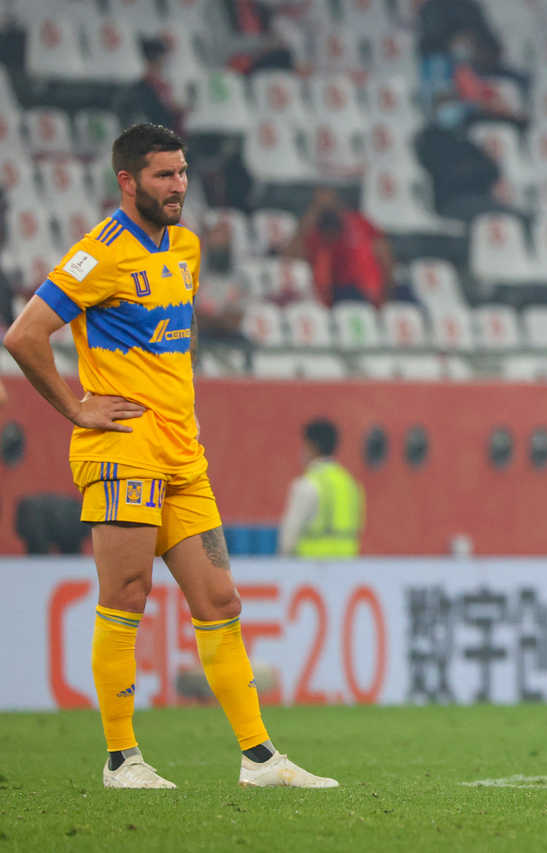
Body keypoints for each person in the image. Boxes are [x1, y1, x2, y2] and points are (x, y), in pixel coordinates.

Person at [2, 123, 337, 790]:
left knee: (220, 598)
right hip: (123, 447)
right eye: (163, 175)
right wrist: (75, 408)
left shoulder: (185, 247)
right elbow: (25, 333)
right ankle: (121, 758)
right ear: (127, 181)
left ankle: (259, 757)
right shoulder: (99, 252)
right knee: (127, 593)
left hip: (184, 452)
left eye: (182, 172)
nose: (179, 185)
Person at [283, 188, 395, 306]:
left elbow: (385, 257)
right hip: (335, 294)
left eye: (328, 201)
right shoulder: (315, 232)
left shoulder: (358, 222)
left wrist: (386, 295)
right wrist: (313, 214)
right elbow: (291, 257)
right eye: (319, 204)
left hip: (367, 291)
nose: (326, 205)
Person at [278, 418, 365, 558]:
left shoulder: (307, 485)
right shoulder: (351, 486)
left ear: (311, 446)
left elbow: (288, 539)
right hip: (347, 572)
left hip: (309, 572)